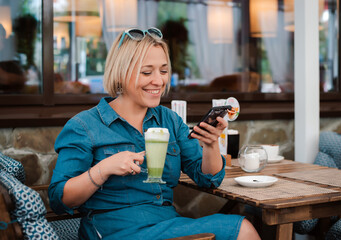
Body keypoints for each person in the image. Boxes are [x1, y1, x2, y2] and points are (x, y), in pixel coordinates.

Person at [49, 27, 260, 240]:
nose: (158, 81)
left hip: (166, 223)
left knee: (242, 229)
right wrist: (103, 169)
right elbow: (60, 200)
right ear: (121, 73)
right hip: (113, 230)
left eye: (164, 71)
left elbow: (208, 179)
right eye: (147, 72)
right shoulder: (84, 126)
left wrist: (211, 144)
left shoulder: (170, 120)